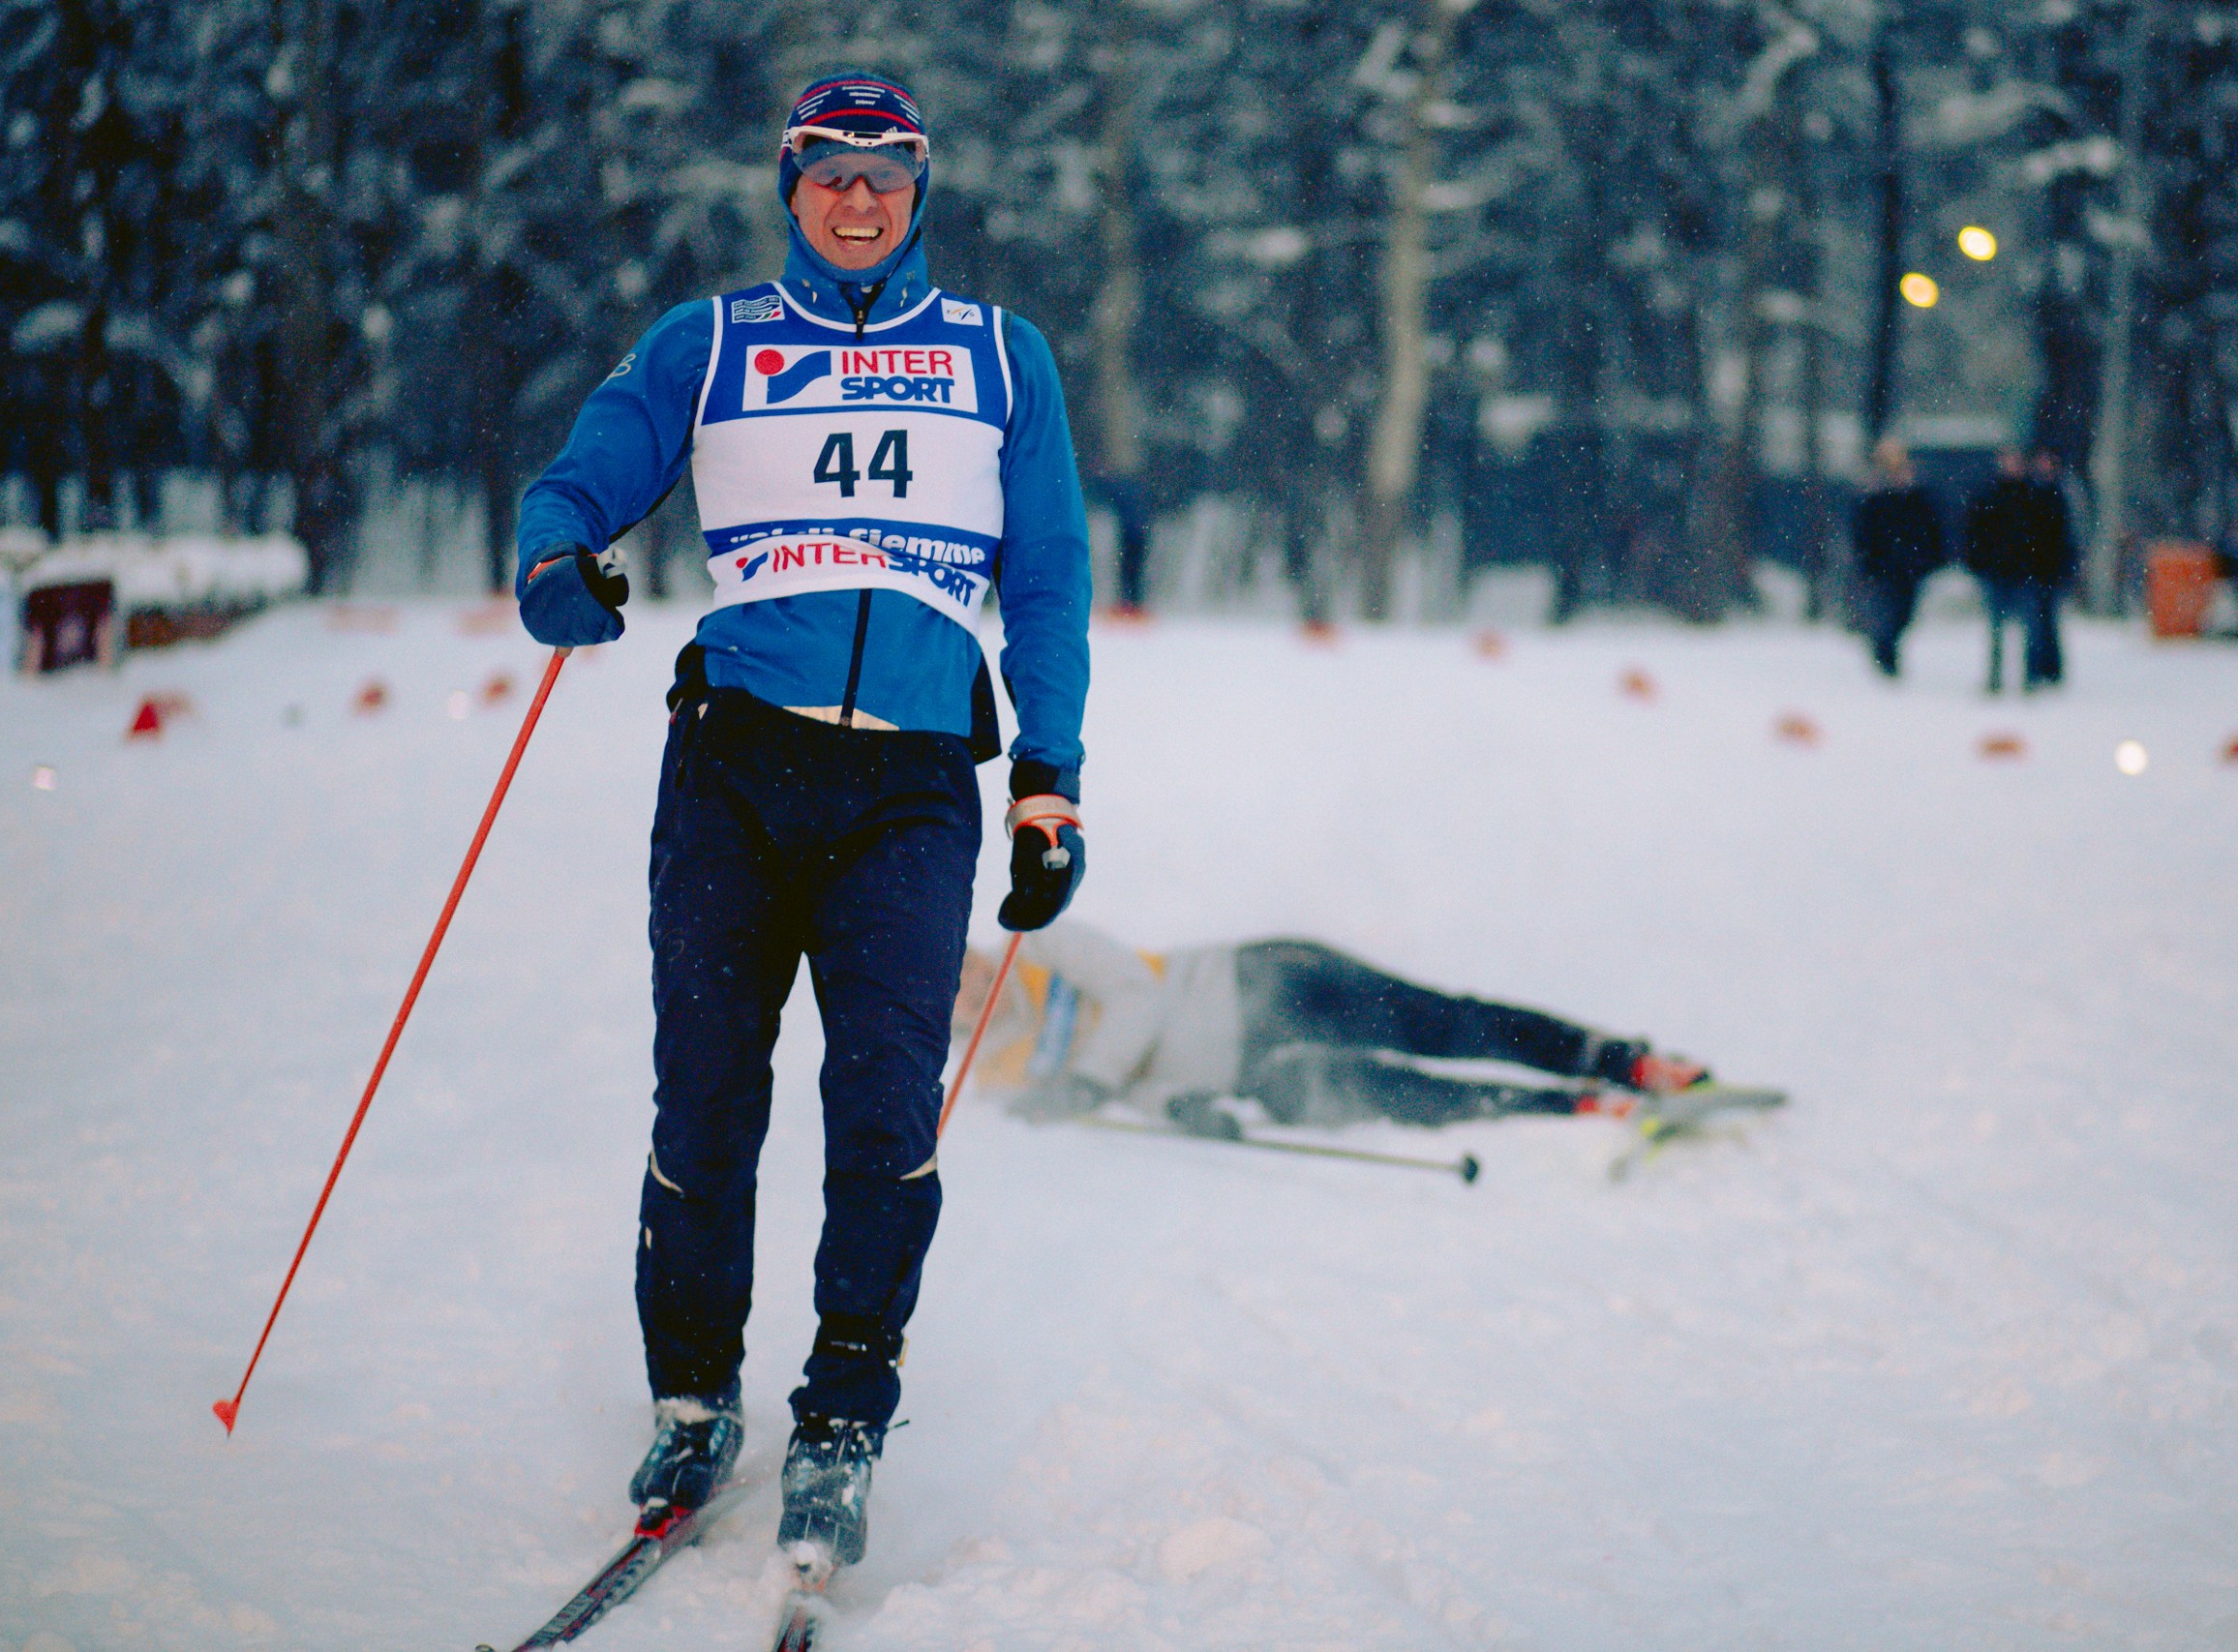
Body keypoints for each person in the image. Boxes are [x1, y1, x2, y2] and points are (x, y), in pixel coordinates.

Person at [512, 70, 1092, 1573]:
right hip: (736, 768)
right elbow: (581, 480)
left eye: (884, 176)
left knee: (886, 1109)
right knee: (706, 1094)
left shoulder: (1001, 358)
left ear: (919, 195)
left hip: (909, 784)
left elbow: (1044, 585)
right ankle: (695, 1395)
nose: (856, 199)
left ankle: (842, 1411)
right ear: (791, 189)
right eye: (829, 174)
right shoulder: (711, 341)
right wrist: (557, 561)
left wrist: (1050, 775)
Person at [955, 921, 1710, 1133]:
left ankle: (1617, 1060)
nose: (968, 983)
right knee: (1381, 1092)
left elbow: (1136, 994)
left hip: (1260, 981)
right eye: (948, 990)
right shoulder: (997, 1072)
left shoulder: (1038, 944)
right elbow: (1120, 1103)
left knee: (1439, 1024)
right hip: (1241, 1069)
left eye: (960, 964)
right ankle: (1568, 1107)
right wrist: (1174, 1105)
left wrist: (1089, 1080)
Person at [1962, 446, 2076, 693]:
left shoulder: (2034, 496)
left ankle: (2030, 676)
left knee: (2031, 628)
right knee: (1996, 629)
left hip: (2026, 572)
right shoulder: (1989, 494)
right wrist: (1979, 563)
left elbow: (2049, 536)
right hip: (1996, 572)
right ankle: (1995, 677)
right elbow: (1975, 533)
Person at [1851, 439, 1947, 678]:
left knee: (1904, 617)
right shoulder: (1876, 500)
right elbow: (1864, 533)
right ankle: (1885, 656)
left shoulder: (1918, 500)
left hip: (1910, 569)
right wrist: (1869, 561)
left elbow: (1932, 533)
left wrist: (1929, 560)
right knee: (1885, 614)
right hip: (1883, 569)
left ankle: (1886, 651)